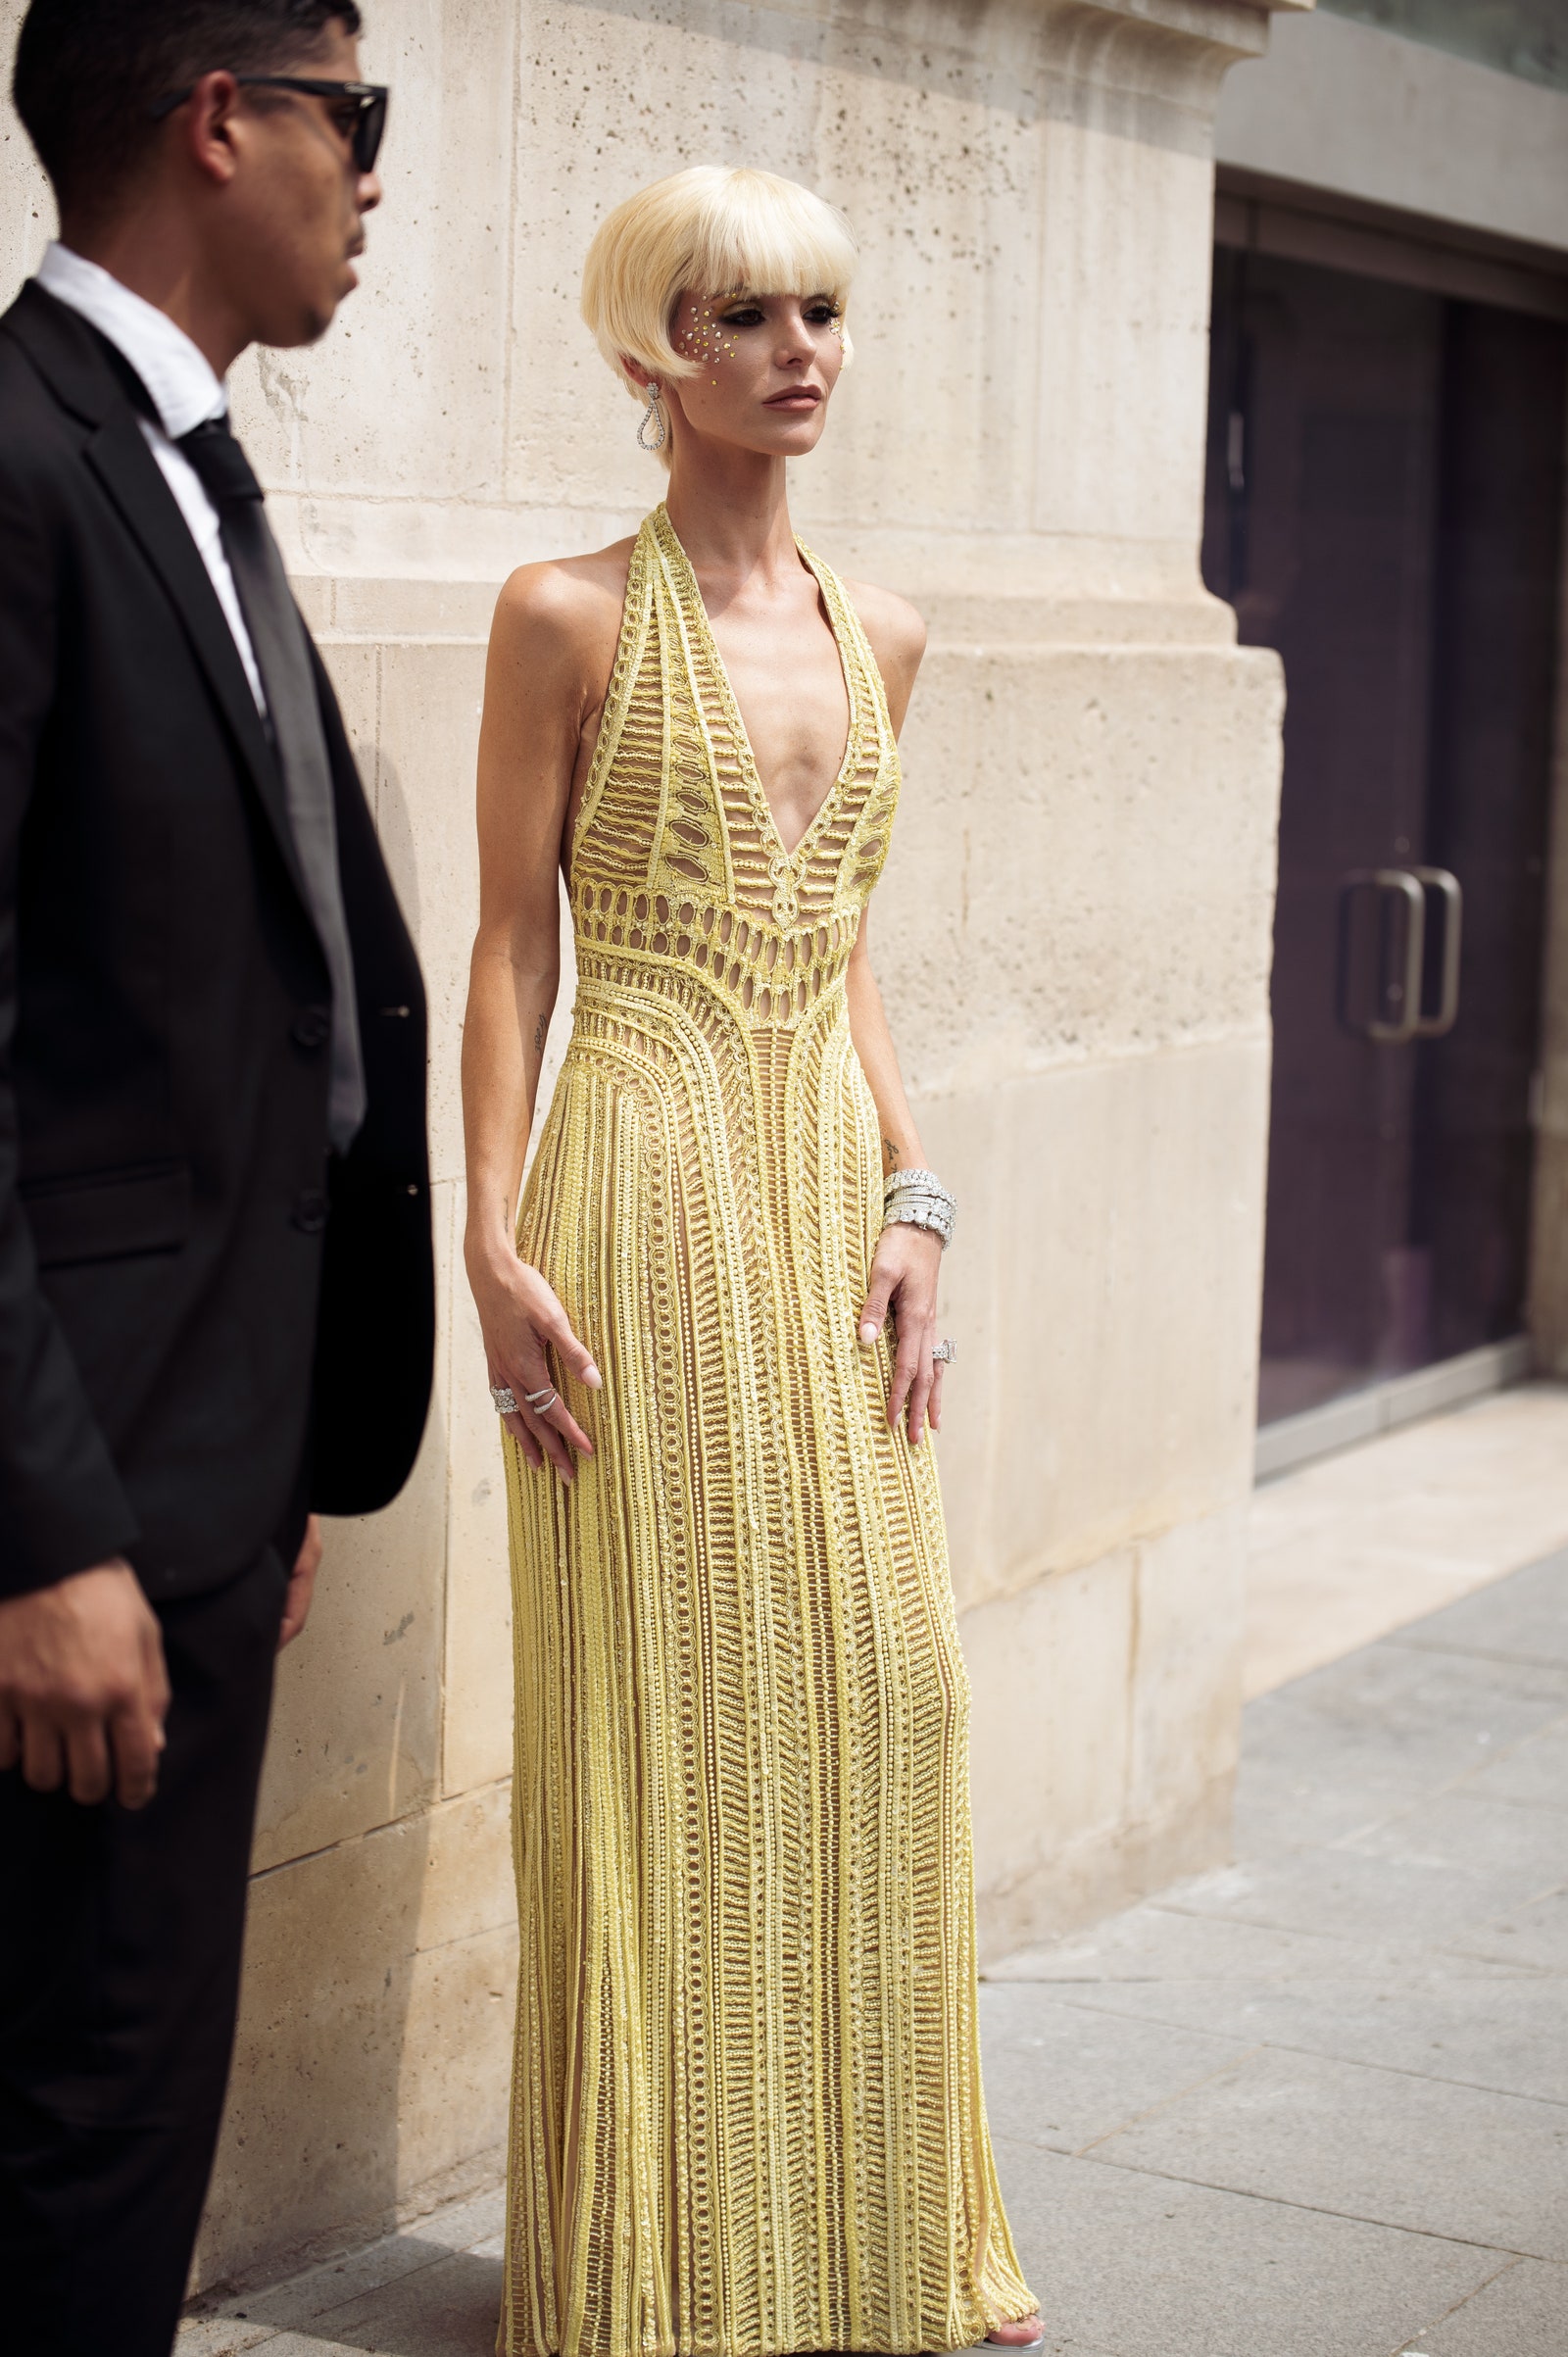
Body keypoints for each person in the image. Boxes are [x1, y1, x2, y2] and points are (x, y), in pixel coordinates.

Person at [463, 164, 1043, 2357]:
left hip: (818, 1179)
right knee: (664, 1698)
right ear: (648, 354)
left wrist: (919, 1192)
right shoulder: (562, 616)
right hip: (635, 1168)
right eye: (739, 316)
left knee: (889, 1688)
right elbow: (511, 946)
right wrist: (490, 1237)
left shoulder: (879, 628)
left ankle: (882, 2227)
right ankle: (671, 2263)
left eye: (818, 311)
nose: (795, 349)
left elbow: (848, 947)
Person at [0, 6, 432, 2353]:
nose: (376, 179)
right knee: (78, 2112)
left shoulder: (182, 461)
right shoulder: (19, 460)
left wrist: (247, 1476)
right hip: (69, 1527)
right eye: (356, 124)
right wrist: (46, 1534)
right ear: (220, 122)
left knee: (133, 2084)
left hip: (200, 1479)